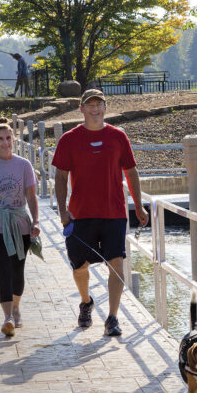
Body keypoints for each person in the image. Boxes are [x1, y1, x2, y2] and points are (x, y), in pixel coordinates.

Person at [52, 89, 149, 336]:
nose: (95, 109)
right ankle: (86, 302)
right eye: (90, 105)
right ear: (81, 109)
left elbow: (131, 172)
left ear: (105, 108)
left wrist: (138, 205)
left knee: (116, 264)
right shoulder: (69, 140)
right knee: (79, 266)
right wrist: (62, 210)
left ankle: (113, 318)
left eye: (99, 105)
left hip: (114, 211)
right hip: (81, 214)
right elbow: (61, 177)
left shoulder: (118, 137)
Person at [0, 117, 41, 336]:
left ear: (14, 139)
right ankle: (7, 317)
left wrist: (36, 221)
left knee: (17, 269)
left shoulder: (24, 165)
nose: (5, 143)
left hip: (20, 224)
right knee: (3, 268)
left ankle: (16, 307)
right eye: (0, 139)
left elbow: (31, 196)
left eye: (8, 138)